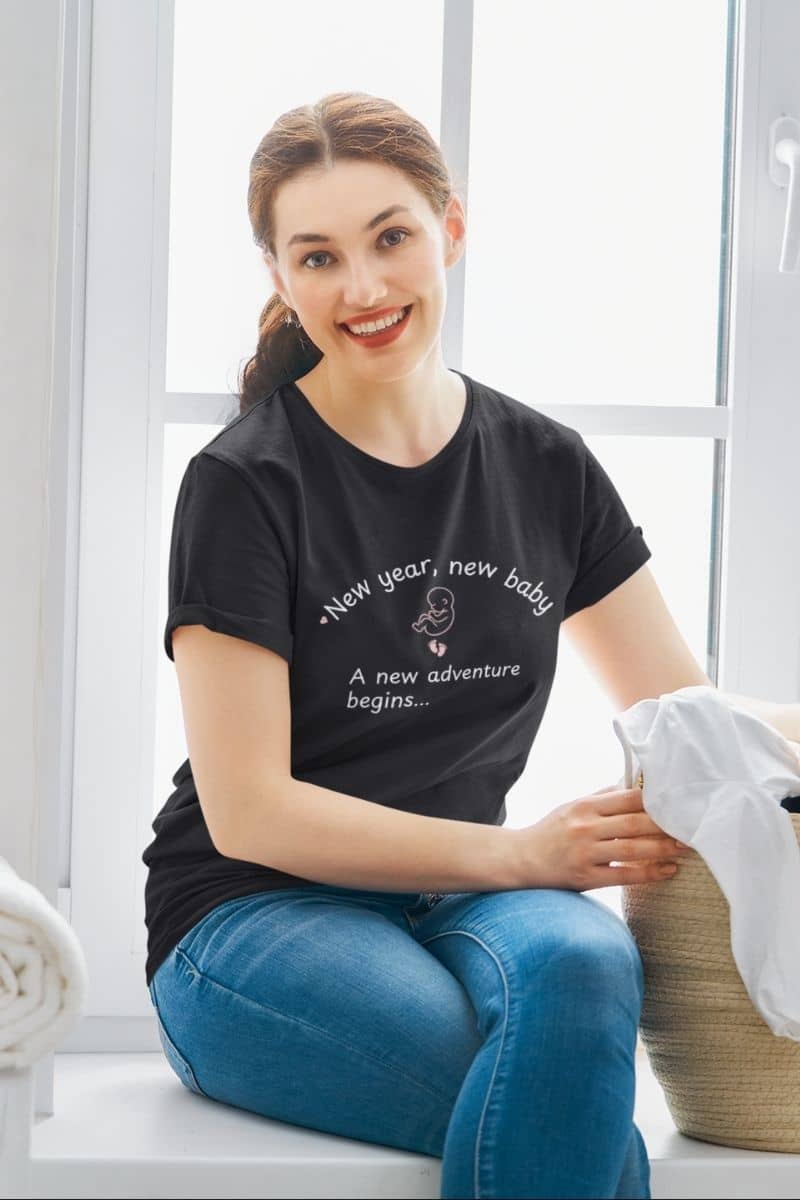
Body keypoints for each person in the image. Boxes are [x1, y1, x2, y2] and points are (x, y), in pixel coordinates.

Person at [142, 90, 690, 1199]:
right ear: (278, 279)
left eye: (389, 237)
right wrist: (526, 855)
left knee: (586, 965)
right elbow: (250, 809)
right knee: (561, 1106)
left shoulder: (546, 465)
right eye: (318, 256)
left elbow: (686, 714)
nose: (363, 289)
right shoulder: (244, 484)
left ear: (448, 228)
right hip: (250, 915)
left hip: (458, 893)